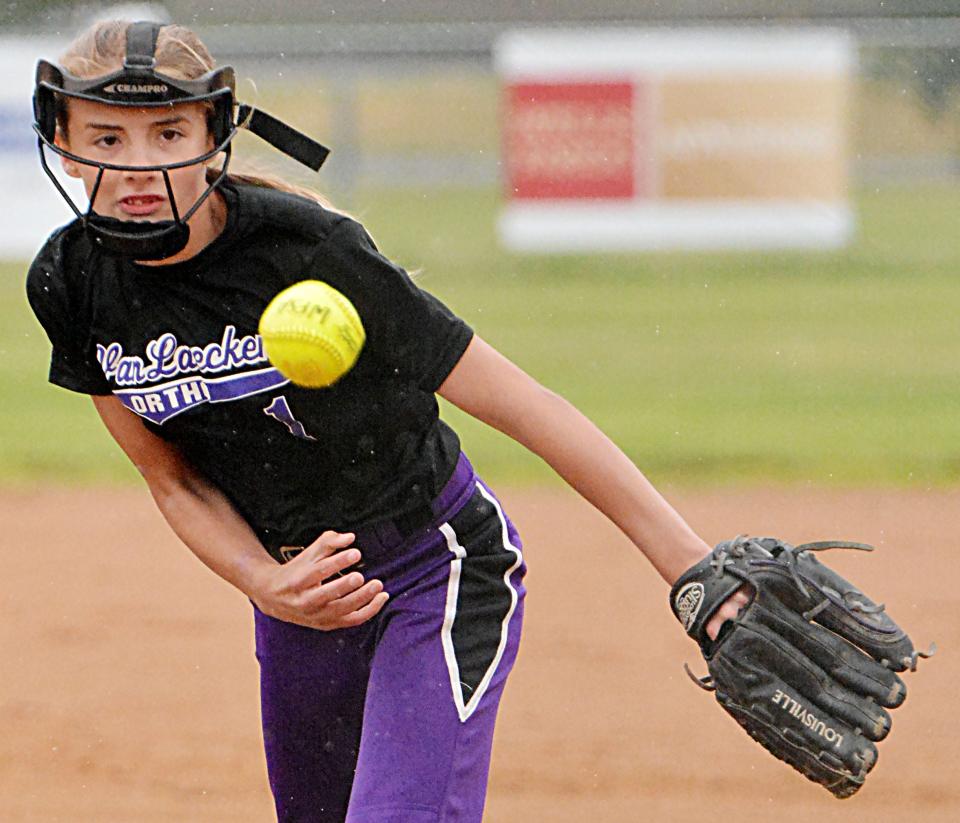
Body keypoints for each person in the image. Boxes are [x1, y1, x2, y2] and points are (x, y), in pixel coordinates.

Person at [26, 19, 746, 823]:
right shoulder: (70, 282)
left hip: (432, 567)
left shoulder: (313, 252)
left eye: (168, 132)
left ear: (213, 133)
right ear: (61, 142)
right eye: (106, 137)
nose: (139, 165)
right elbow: (172, 477)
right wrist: (267, 583)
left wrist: (689, 563)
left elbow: (527, 406)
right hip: (302, 598)